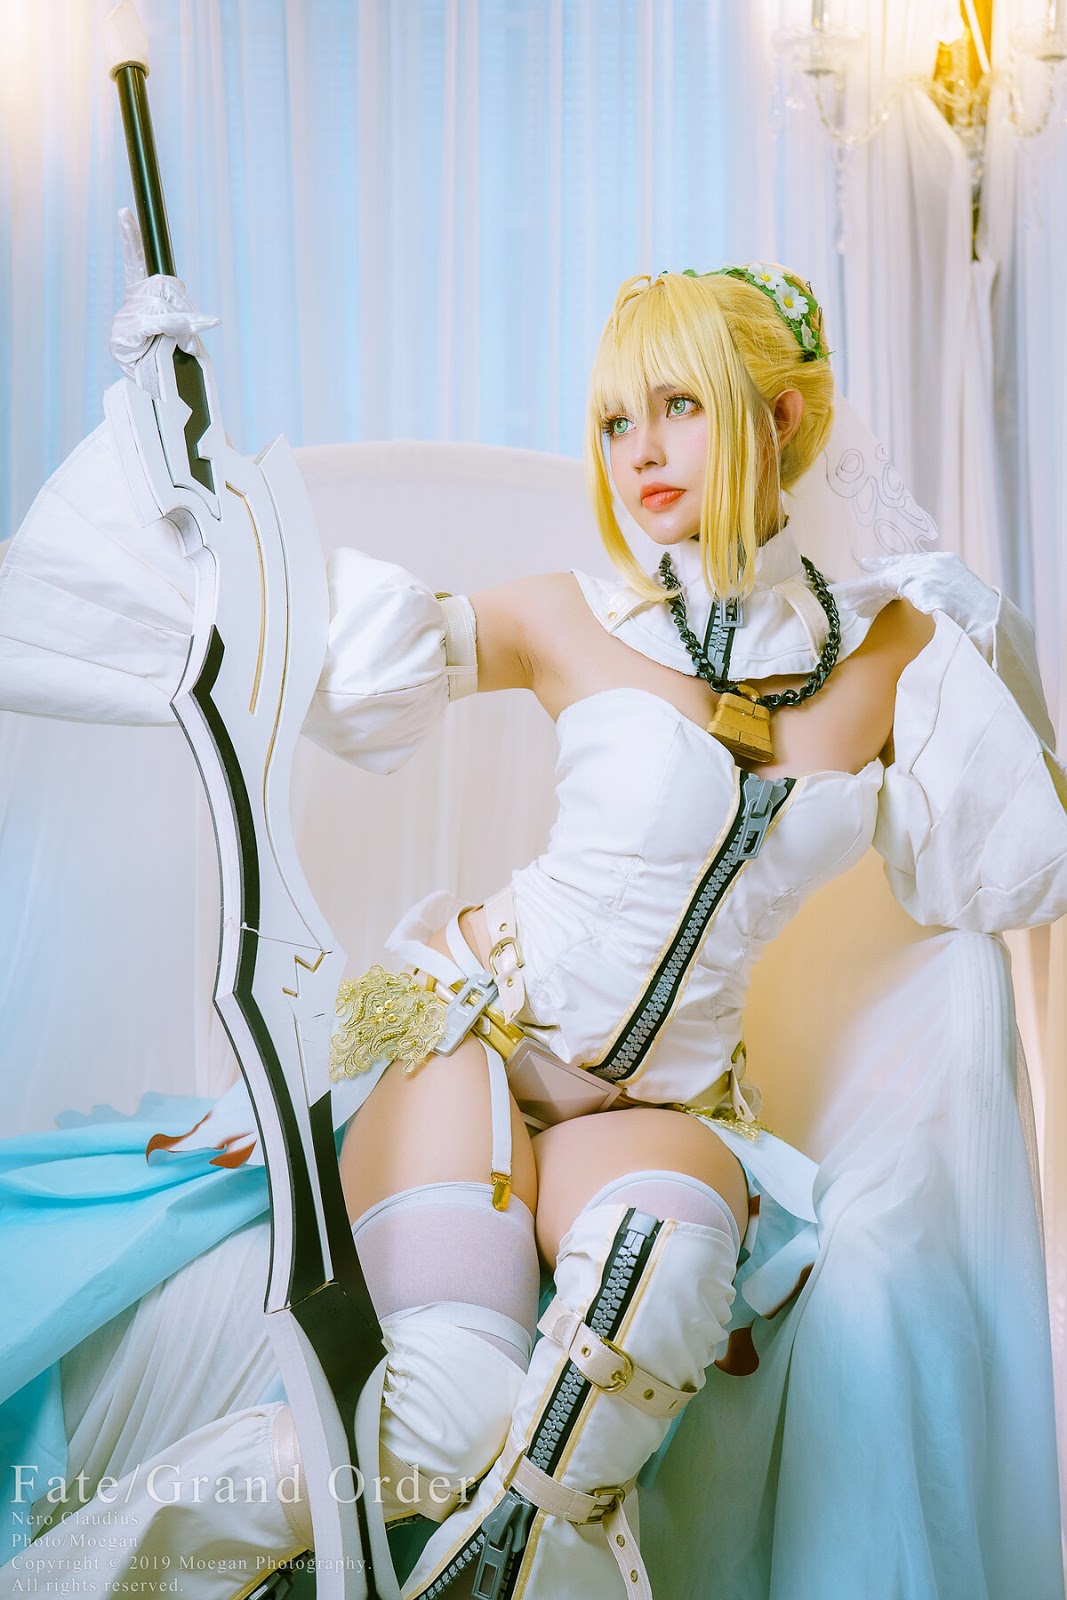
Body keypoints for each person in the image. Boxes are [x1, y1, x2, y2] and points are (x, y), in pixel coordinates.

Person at [1, 262, 1065, 1600]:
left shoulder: (891, 649)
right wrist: (181, 484)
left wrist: (991, 650)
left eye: (679, 405)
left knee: (664, 1274)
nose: (639, 453)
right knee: (445, 1419)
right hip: (469, 1038)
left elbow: (1015, 869)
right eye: (615, 420)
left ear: (782, 416)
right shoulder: (569, 616)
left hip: (667, 1105)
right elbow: (293, 656)